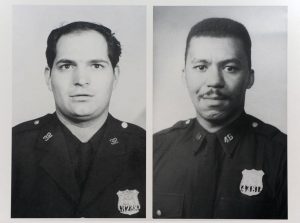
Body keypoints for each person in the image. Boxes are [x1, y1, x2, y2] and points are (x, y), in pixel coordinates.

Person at [153, 18, 287, 219]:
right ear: (184, 76)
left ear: (249, 78)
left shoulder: (284, 156)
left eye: (230, 68)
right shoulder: (155, 149)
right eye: (201, 67)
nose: (214, 81)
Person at [12, 21, 145, 218]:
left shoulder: (145, 149)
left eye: (97, 66)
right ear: (49, 77)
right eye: (66, 66)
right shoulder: (12, 147)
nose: (81, 79)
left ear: (115, 76)